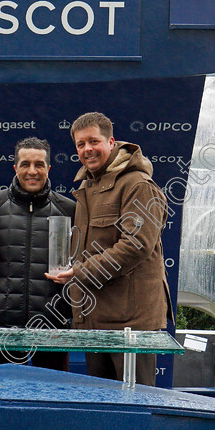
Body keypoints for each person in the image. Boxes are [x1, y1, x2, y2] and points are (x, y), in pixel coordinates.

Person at [47, 112, 172, 386]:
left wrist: (79, 272)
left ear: (111, 142)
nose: (87, 149)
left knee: (134, 409)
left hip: (131, 326)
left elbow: (136, 246)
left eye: (94, 141)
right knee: (103, 411)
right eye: (80, 144)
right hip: (97, 321)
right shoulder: (88, 187)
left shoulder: (138, 185)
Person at [0, 137, 76, 370]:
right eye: (25, 164)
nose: (32, 171)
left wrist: (64, 307)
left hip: (51, 330)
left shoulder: (69, 209)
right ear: (15, 167)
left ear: (48, 168)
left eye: (39, 165)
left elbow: (80, 264)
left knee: (49, 399)